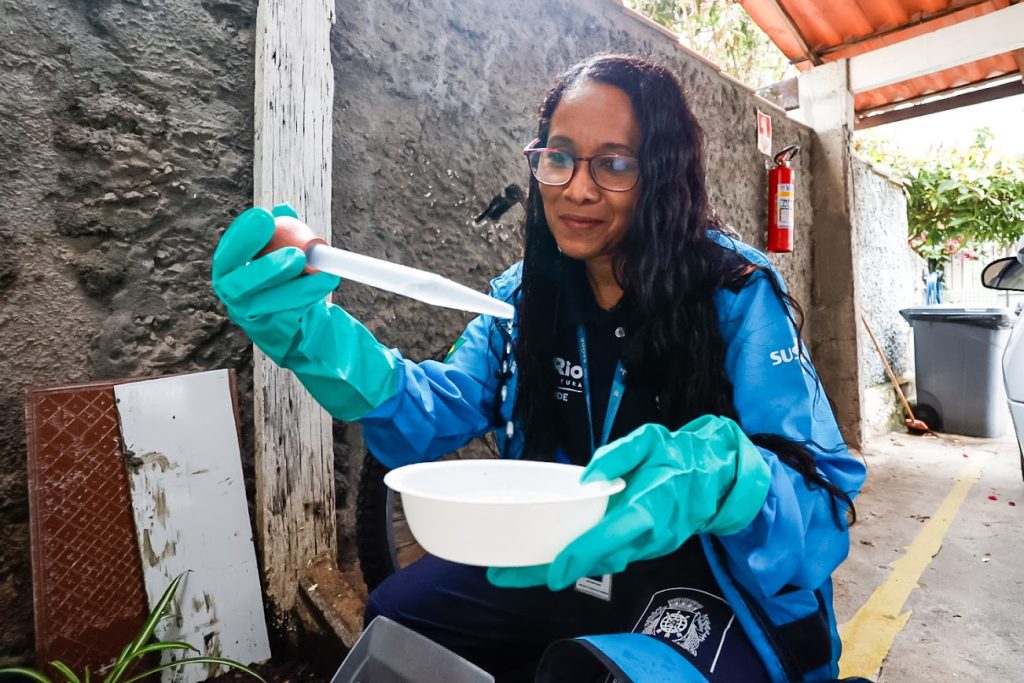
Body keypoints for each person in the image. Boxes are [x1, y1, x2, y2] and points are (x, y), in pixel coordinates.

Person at [212, 54, 866, 682]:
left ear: (661, 173)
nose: (576, 189)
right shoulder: (524, 296)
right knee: (400, 620)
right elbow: (435, 407)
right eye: (558, 158)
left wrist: (729, 478)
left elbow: (824, 502)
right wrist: (313, 336)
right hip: (556, 556)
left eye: (613, 163)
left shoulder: (735, 293)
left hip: (705, 577)